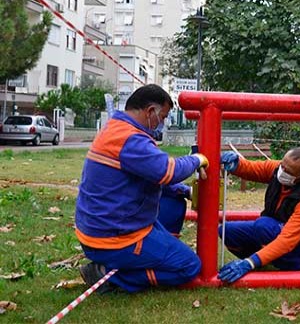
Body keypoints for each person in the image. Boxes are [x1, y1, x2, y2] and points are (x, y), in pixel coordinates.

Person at [75, 84, 209, 293]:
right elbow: (167, 171)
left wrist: (184, 191)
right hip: (112, 238)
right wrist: (196, 160)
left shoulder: (116, 128)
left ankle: (154, 254)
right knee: (189, 266)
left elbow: (149, 174)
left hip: (102, 226)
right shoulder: (130, 139)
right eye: (162, 117)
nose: (162, 124)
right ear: (150, 112)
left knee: (173, 202)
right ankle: (108, 276)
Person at [217, 147, 300, 284]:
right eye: (283, 165)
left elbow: (287, 239)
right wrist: (236, 164)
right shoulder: (279, 168)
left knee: (263, 226)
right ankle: (263, 259)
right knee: (226, 230)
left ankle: (292, 266)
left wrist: (249, 263)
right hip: (272, 228)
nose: (282, 171)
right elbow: (254, 169)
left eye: (288, 171)